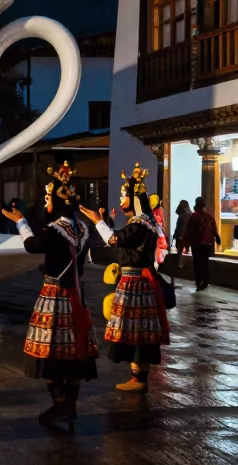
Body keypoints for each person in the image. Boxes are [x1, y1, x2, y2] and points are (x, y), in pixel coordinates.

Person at [3, 162, 98, 429]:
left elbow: (32, 245)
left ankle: (60, 406)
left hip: (55, 296)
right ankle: (70, 405)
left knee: (53, 353)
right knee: (74, 350)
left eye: (47, 197)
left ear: (55, 200)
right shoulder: (82, 230)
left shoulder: (55, 231)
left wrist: (20, 221)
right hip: (77, 295)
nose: (45, 202)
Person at [81, 163, 170, 394]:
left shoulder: (140, 224)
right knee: (138, 331)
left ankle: (139, 379)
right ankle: (137, 377)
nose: (121, 199)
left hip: (137, 284)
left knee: (137, 331)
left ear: (134, 198)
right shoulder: (144, 224)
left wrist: (97, 221)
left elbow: (114, 240)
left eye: (124, 195)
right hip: (137, 280)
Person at [183, 196, 220, 292]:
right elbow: (214, 230)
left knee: (197, 262)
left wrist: (186, 245)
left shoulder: (193, 216)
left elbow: (188, 232)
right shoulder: (210, 216)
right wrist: (218, 238)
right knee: (205, 262)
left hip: (197, 243)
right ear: (205, 205)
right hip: (208, 243)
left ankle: (199, 280)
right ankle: (205, 281)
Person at [149, 192, 169, 268]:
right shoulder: (158, 211)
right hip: (156, 233)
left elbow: (161, 223)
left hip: (157, 233)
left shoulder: (158, 211)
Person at [172, 199, 192, 266]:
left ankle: (179, 264)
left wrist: (175, 235)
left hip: (181, 235)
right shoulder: (191, 214)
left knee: (179, 251)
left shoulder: (182, 216)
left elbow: (179, 227)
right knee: (187, 250)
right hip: (189, 235)